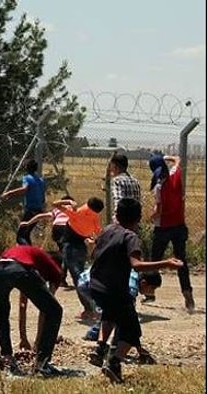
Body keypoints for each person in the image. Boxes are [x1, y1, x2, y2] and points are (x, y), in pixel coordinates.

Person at [89, 198, 183, 383]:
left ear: (116, 214)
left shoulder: (107, 229)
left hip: (96, 287)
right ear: (138, 218)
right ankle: (114, 363)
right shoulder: (130, 237)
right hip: (114, 290)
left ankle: (100, 349)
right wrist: (167, 263)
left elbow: (94, 253)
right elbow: (137, 265)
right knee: (132, 330)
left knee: (110, 313)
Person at [0, 245, 65, 377]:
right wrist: (37, 344)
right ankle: (43, 363)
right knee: (55, 311)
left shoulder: (27, 254)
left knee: (2, 313)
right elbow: (46, 310)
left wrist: (25, 338)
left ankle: (7, 358)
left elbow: (22, 304)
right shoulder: (56, 271)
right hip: (19, 270)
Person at [80, 268, 159, 366]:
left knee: (110, 312)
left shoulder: (132, 275)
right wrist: (139, 348)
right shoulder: (131, 288)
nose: (152, 292)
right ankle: (113, 357)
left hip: (88, 281)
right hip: (91, 285)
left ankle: (100, 348)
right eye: (153, 288)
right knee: (122, 318)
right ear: (143, 283)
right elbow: (129, 318)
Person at [148, 154, 194, 312]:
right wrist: (167, 157)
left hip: (163, 227)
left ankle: (149, 290)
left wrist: (152, 215)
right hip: (179, 226)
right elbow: (178, 160)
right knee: (181, 261)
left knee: (154, 260)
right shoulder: (175, 175)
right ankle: (187, 294)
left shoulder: (159, 186)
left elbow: (159, 210)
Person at [51, 197, 104, 319]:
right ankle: (92, 307)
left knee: (79, 280)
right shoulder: (95, 217)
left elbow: (54, 204)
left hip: (70, 247)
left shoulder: (77, 212)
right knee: (81, 276)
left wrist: (68, 202)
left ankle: (90, 309)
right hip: (81, 248)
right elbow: (99, 233)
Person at [19, 194, 74, 287]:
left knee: (63, 252)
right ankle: (62, 278)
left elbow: (41, 216)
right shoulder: (73, 208)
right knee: (66, 254)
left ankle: (60, 276)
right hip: (68, 228)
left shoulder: (57, 210)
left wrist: (28, 223)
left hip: (57, 228)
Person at [0, 159, 46, 246]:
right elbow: (43, 198)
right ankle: (30, 254)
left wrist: (8, 193)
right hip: (39, 210)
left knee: (20, 236)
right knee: (26, 234)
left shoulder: (27, 178)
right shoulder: (40, 180)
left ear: (26, 168)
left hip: (31, 210)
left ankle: (27, 253)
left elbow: (24, 189)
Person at [107, 154, 141, 219]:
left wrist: (116, 218)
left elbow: (118, 200)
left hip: (123, 220)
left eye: (111, 167)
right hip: (134, 219)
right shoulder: (135, 181)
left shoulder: (117, 180)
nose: (111, 170)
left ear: (115, 167)